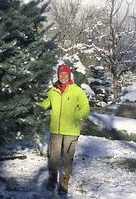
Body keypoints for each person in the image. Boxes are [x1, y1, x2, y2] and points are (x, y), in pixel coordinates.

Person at [40, 63, 90, 194]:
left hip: (71, 131)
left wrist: (75, 116)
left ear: (69, 75)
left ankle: (64, 182)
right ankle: (52, 178)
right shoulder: (52, 91)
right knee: (53, 157)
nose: (63, 77)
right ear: (58, 75)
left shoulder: (77, 90)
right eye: (61, 74)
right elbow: (45, 104)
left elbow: (85, 108)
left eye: (65, 74)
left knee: (67, 159)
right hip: (55, 130)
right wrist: (36, 106)